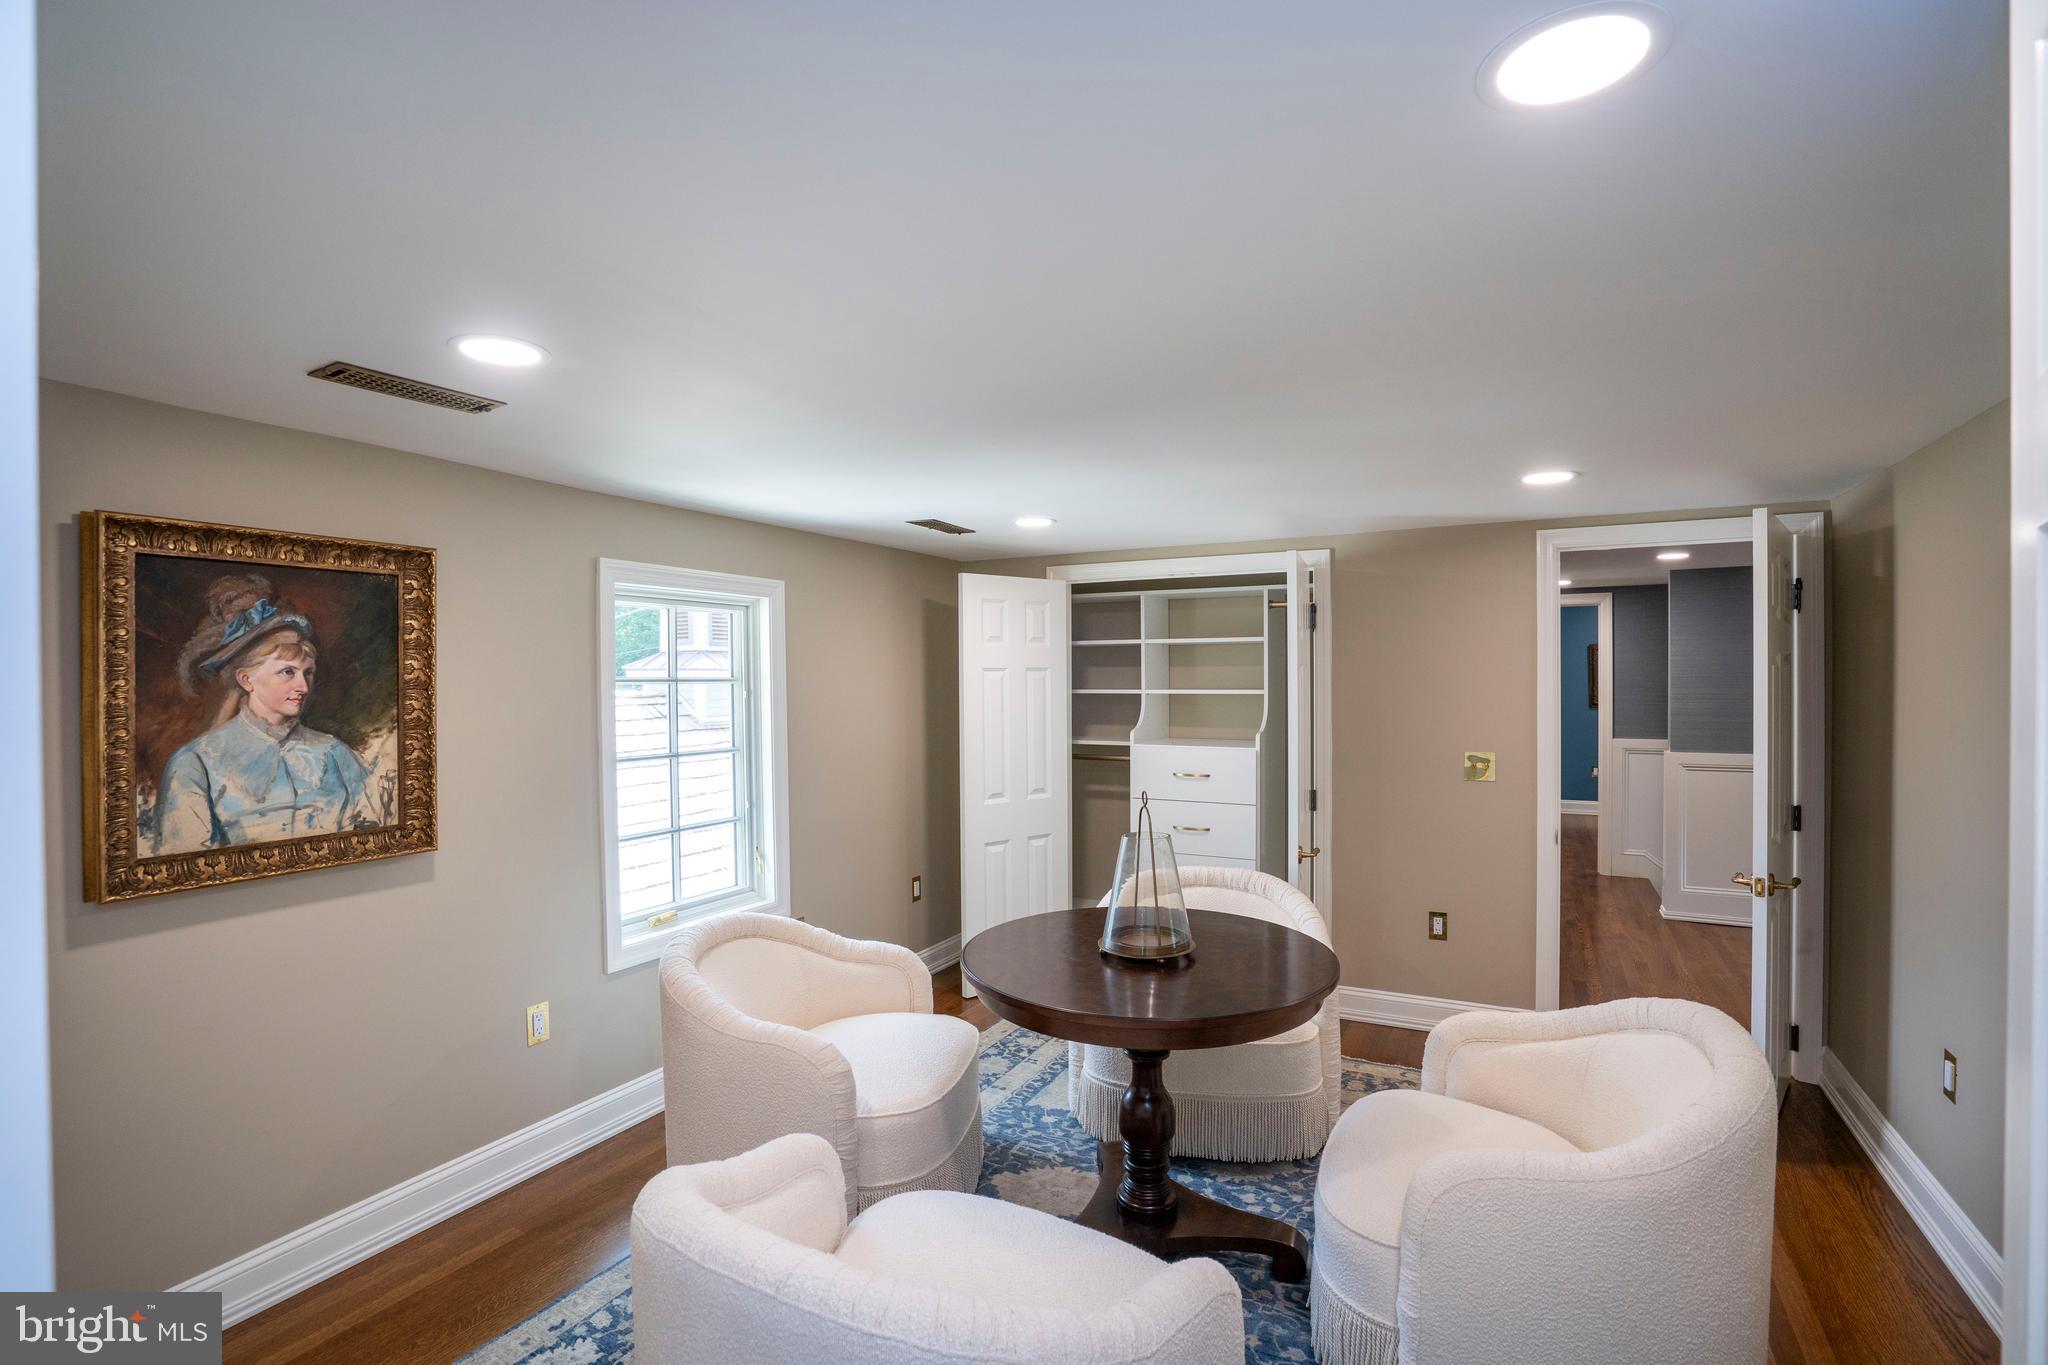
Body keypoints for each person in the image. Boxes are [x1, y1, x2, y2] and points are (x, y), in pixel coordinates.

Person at [151, 574, 377, 855]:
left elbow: (371, 835)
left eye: (308, 673)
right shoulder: (196, 763)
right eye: (287, 672)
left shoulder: (335, 754)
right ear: (246, 680)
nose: (303, 687)